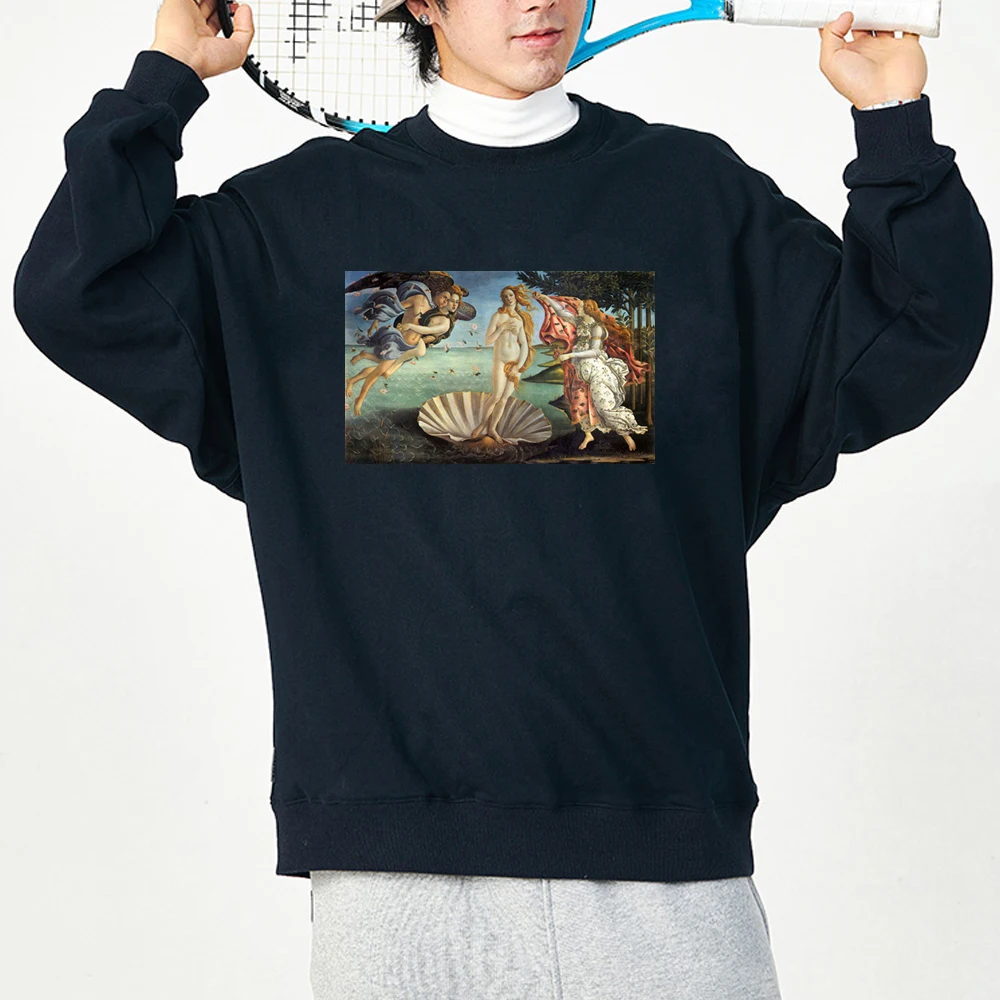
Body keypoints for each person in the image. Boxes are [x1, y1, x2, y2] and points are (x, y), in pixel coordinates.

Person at [12, 1, 991, 998]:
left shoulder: (695, 197)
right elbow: (76, 290)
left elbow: (905, 333)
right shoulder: (293, 224)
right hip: (398, 885)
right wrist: (166, 80)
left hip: (668, 866)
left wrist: (892, 125)